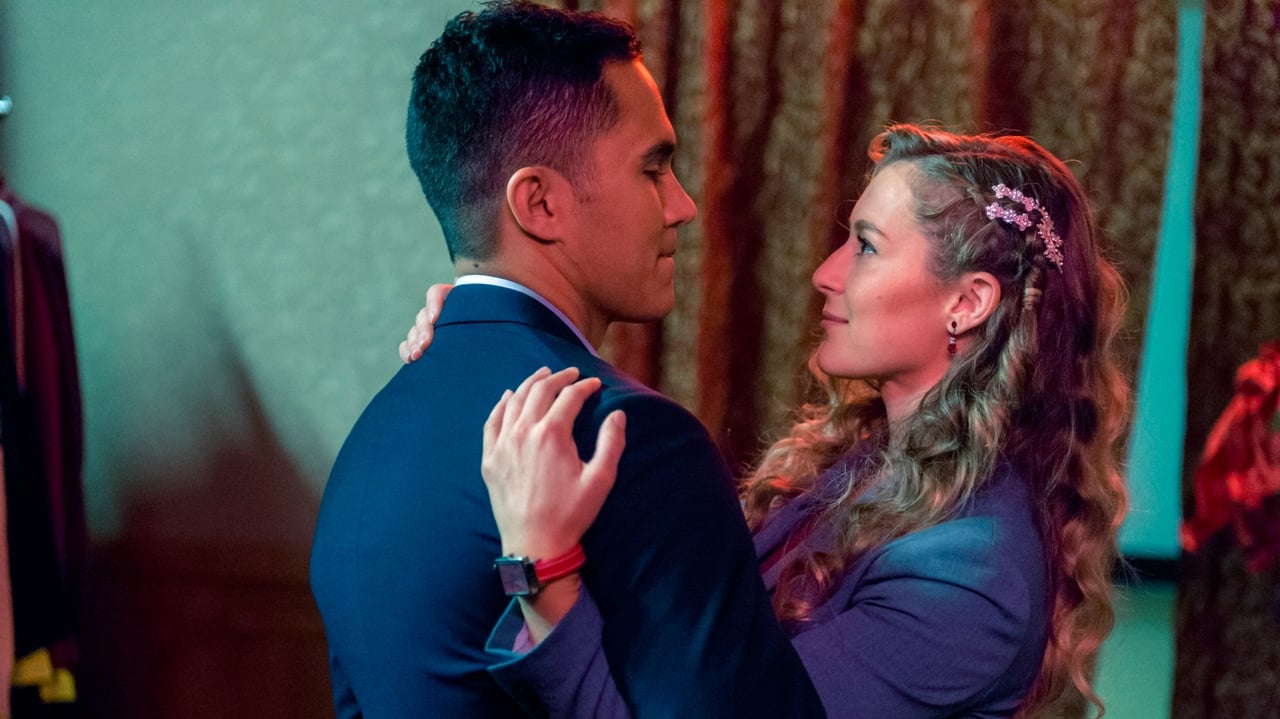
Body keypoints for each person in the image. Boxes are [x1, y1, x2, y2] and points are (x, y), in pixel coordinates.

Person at [404, 124, 1131, 717]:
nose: (825, 272)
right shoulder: (861, 462)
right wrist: (497, 327)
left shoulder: (969, 573)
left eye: (866, 246)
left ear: (966, 304)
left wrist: (544, 571)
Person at [308, 2, 823, 717]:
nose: (683, 205)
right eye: (654, 169)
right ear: (540, 203)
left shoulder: (369, 441)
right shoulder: (629, 440)